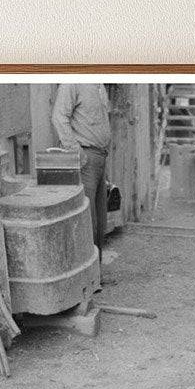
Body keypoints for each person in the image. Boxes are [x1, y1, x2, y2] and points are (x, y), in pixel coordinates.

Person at [51, 83, 111, 263]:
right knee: (87, 220)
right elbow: (59, 117)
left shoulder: (98, 83)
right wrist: (77, 152)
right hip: (85, 158)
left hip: (99, 156)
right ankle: (87, 274)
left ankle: (96, 274)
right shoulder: (72, 83)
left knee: (100, 220)